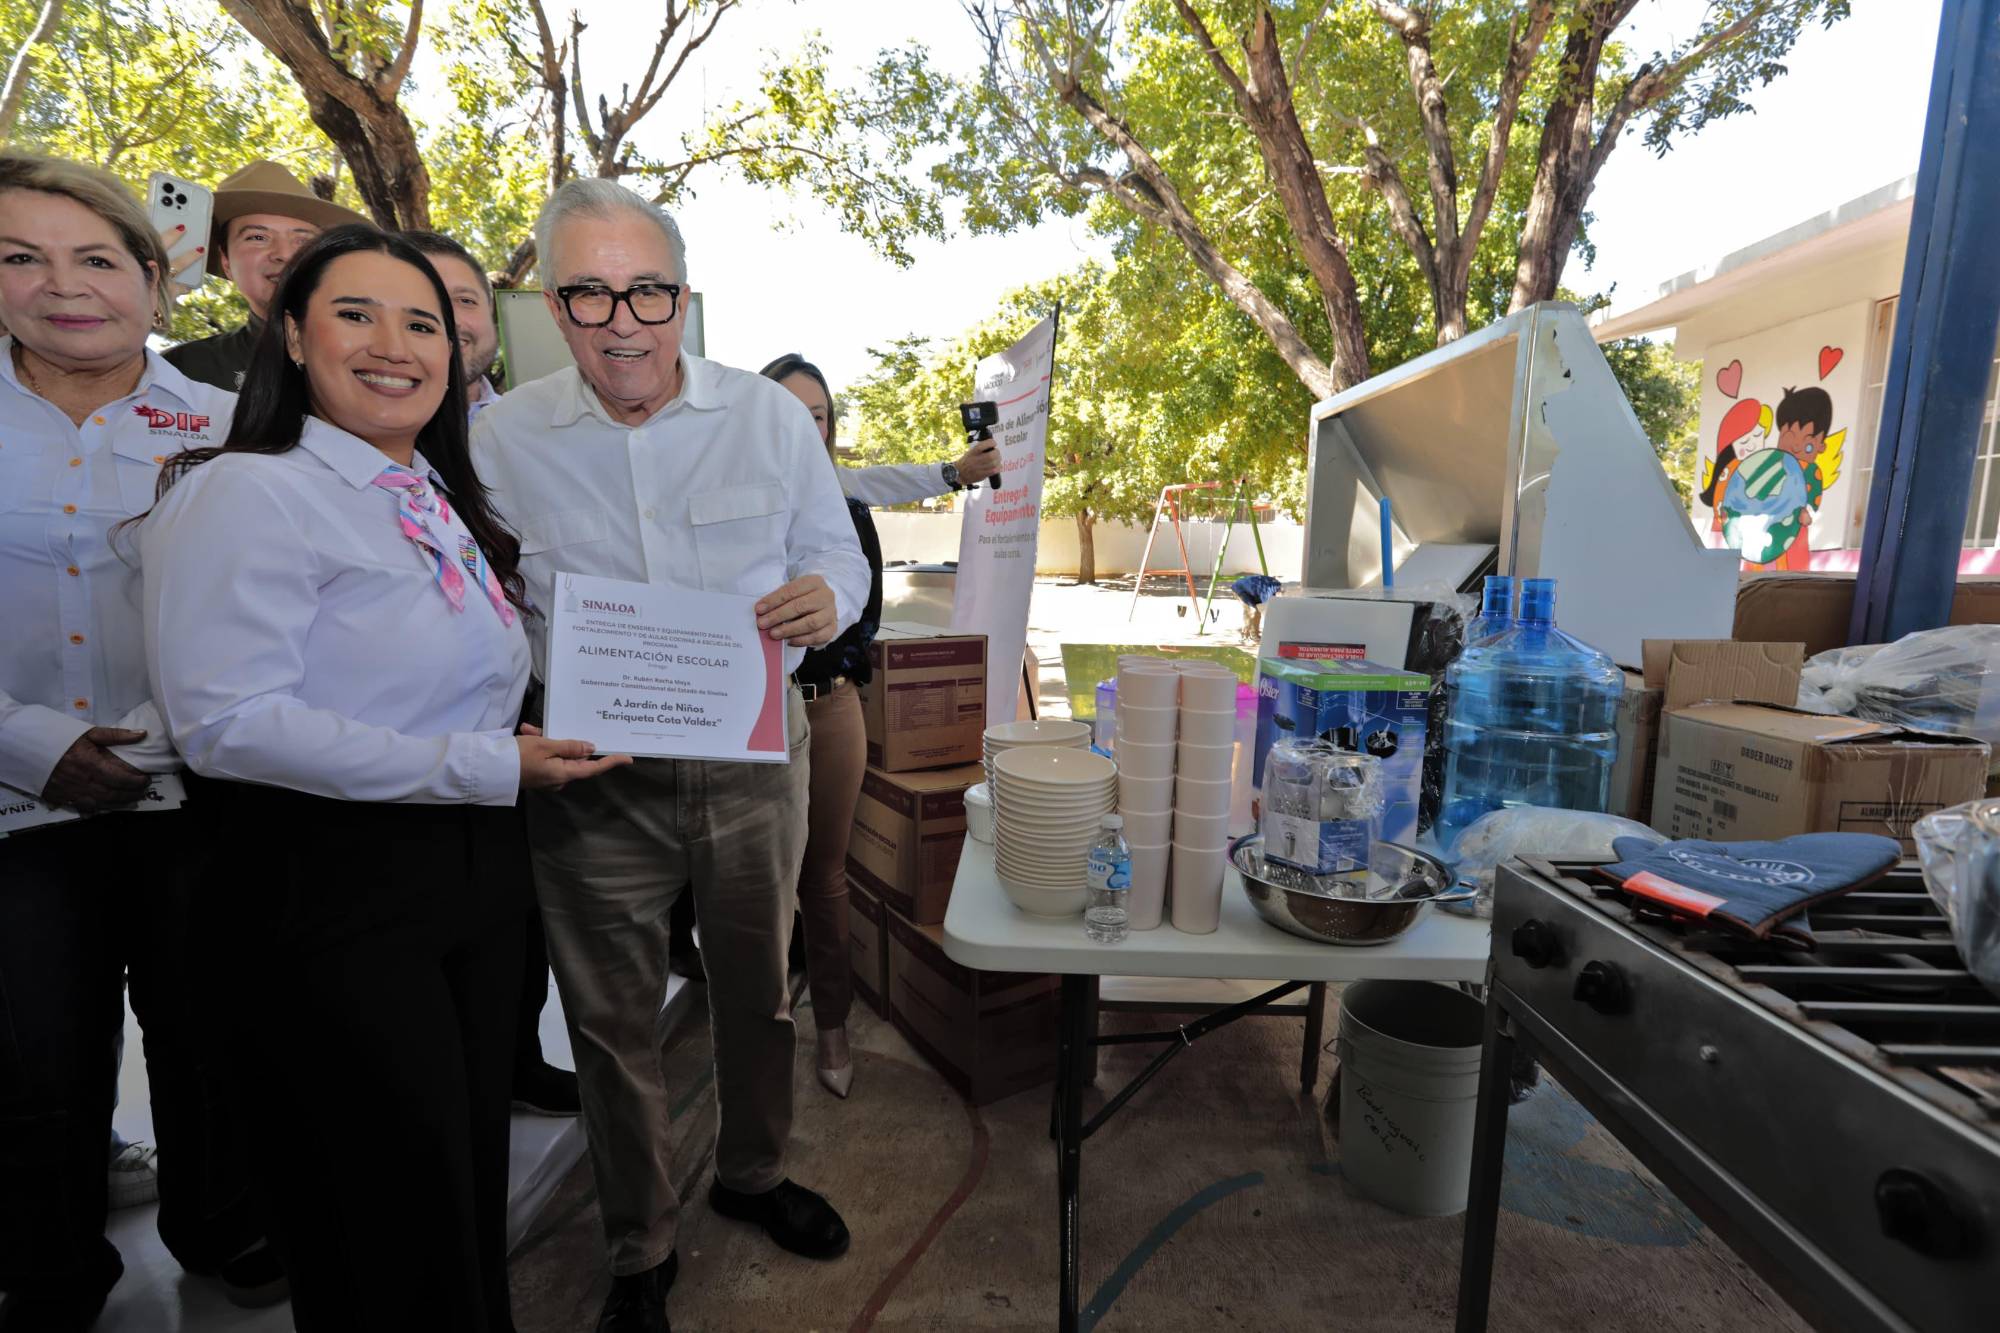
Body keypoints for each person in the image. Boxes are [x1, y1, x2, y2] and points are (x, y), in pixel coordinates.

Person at [139, 223, 627, 1331]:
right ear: (293, 339)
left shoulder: (431, 495)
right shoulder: (243, 494)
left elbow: (447, 680)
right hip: (330, 889)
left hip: (469, 870)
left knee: (457, 1184)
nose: (395, 345)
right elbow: (228, 726)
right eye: (355, 314)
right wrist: (484, 765)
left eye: (425, 324)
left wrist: (555, 727)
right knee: (377, 1209)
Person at [472, 178, 870, 1333]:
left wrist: (822, 597)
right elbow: (489, 603)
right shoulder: (502, 438)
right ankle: (637, 1243)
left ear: (681, 297)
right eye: (589, 293)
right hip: (590, 775)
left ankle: (751, 1175)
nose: (622, 318)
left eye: (646, 288)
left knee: (757, 986)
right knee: (611, 1021)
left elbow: (833, 557)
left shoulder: (766, 417)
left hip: (752, 763)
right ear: (554, 306)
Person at [0, 151, 280, 1329]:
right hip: (16, 811)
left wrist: (171, 734)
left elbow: (272, 609)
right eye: (20, 256)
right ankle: (54, 1270)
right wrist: (28, 742)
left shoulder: (234, 428)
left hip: (192, 794)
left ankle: (219, 1220)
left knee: (208, 1033)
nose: (65, 285)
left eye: (96, 257)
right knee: (35, 1057)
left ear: (153, 280)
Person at [403, 226, 582, 1119]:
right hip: (402, 752)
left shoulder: (542, 427)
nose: (439, 321)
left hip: (536, 715)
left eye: (460, 301)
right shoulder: (363, 442)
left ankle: (513, 1054)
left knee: (520, 916)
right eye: (413, 303)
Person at [754, 353, 886, 1101]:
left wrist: (808, 619)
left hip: (830, 706)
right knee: (754, 886)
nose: (805, 430)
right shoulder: (731, 513)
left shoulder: (850, 514)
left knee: (823, 877)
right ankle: (762, 1027)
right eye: (788, 415)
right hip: (748, 713)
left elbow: (865, 620)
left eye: (818, 418)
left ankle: (832, 1022)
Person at [162, 160, 366, 391]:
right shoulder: (183, 371)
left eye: (303, 240)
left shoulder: (378, 355)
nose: (284, 254)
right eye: (258, 237)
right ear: (226, 262)